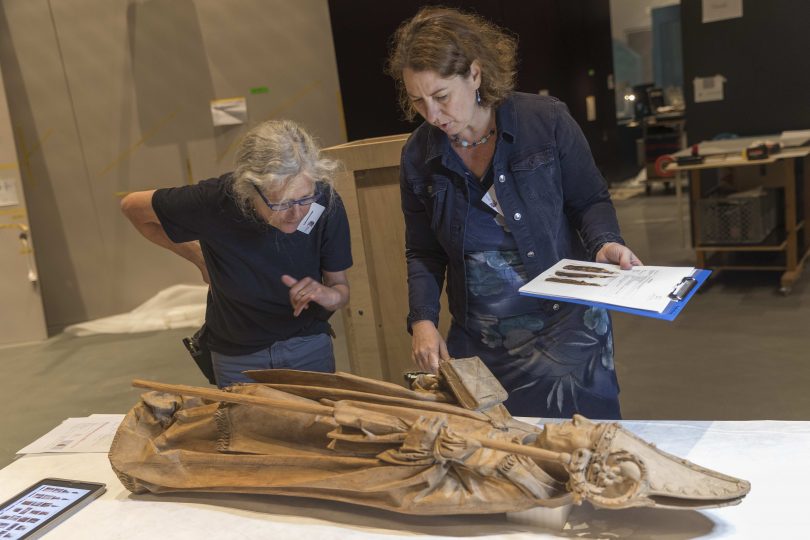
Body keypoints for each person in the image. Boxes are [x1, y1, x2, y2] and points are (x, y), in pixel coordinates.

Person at [387, 7, 642, 419]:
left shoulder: (545, 121)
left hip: (568, 327)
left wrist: (605, 242)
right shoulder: (419, 155)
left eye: (441, 97)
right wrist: (423, 320)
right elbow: (423, 251)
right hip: (485, 338)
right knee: (498, 445)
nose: (431, 115)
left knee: (587, 441)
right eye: (418, 101)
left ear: (475, 74)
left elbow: (589, 200)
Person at [121, 120, 352, 388]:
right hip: (239, 357)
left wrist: (325, 294)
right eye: (281, 203)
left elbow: (340, 289)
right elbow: (132, 207)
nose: (296, 213)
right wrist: (198, 258)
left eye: (304, 199)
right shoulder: (213, 202)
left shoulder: (326, 201)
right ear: (250, 188)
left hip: (307, 346)